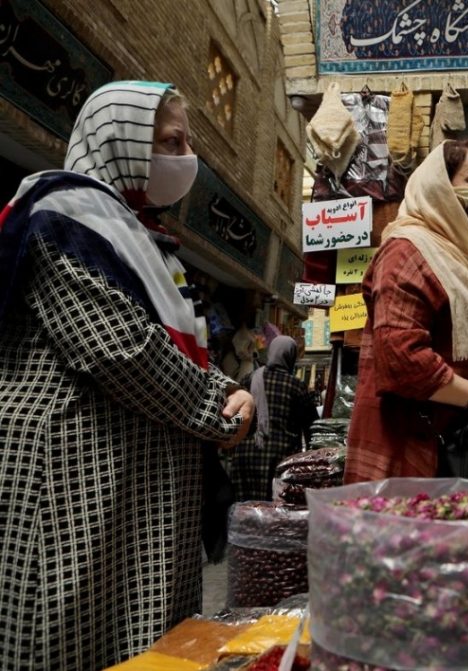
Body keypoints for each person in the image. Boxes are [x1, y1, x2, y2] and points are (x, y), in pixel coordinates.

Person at [0, 81, 254, 669]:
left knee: (143, 642)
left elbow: (180, 347)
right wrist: (221, 400)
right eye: (169, 141)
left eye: (187, 142)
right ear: (122, 142)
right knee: (70, 637)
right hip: (75, 482)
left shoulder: (148, 242)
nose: (185, 157)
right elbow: (120, 347)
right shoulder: (63, 215)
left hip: (141, 485)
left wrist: (225, 391)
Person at [344, 138, 468, 483]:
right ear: (438, 187)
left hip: (453, 449)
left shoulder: (463, 261)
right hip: (414, 449)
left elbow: (457, 350)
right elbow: (402, 358)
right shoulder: (406, 253)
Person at [233, 335, 319, 501]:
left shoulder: (248, 379)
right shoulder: (296, 385)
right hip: (281, 458)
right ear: (291, 356)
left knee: (246, 509)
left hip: (246, 455)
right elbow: (311, 428)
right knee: (275, 514)